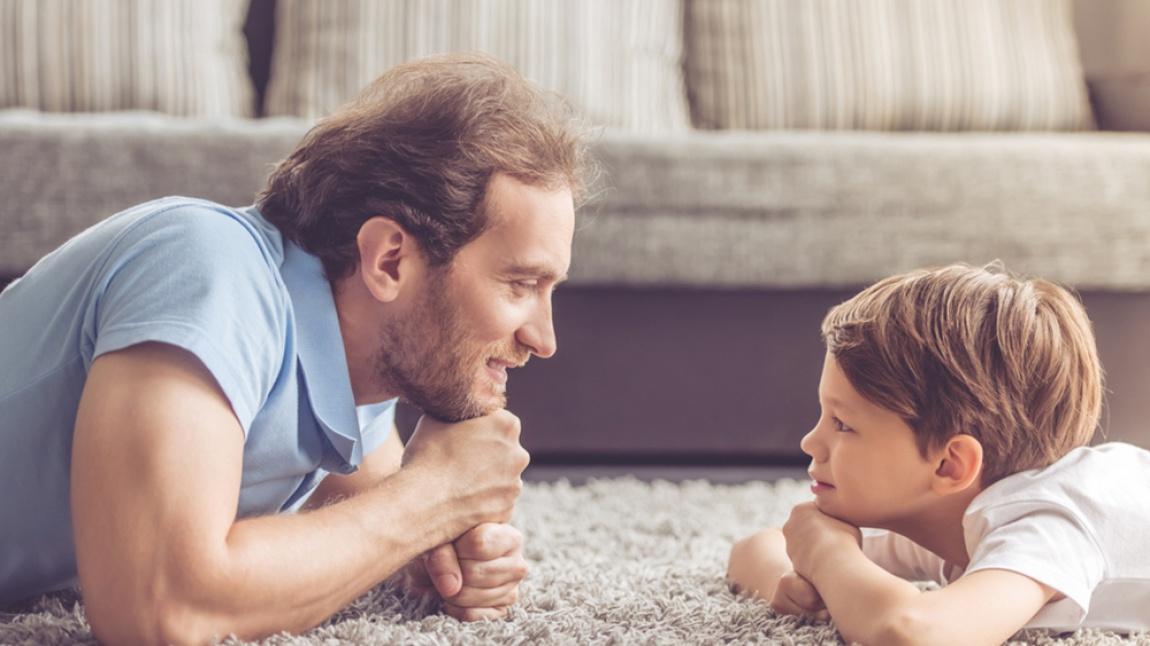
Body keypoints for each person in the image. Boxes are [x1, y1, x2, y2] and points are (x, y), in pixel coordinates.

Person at [0, 53, 591, 643]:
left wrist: (446, 549)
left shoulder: (356, 378)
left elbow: (383, 522)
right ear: (390, 260)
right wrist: (434, 499)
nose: (544, 340)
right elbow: (158, 609)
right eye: (520, 285)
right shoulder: (203, 268)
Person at [727, 263, 1150, 644]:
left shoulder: (1046, 523)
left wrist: (826, 555)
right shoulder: (944, 513)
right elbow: (753, 548)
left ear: (950, 465)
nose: (809, 442)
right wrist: (790, 578)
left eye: (843, 424)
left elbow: (915, 633)